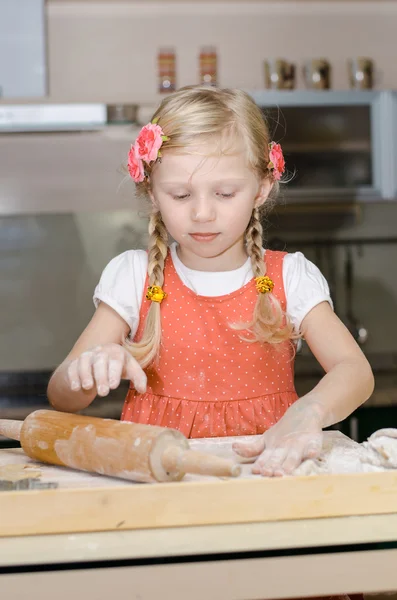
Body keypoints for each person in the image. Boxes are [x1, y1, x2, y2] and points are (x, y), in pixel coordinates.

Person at [47, 85, 374, 477]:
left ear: (262, 187)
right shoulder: (135, 276)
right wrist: (87, 369)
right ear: (152, 192)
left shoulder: (289, 277)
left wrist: (310, 410)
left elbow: (355, 371)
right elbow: (61, 395)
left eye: (224, 192)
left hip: (264, 476)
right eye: (181, 195)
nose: (202, 213)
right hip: (159, 486)